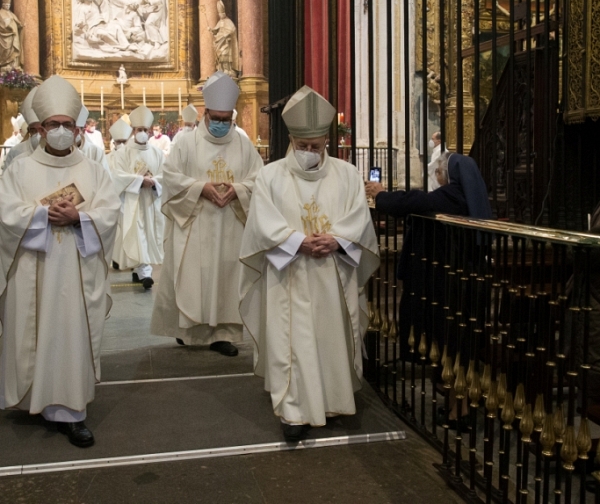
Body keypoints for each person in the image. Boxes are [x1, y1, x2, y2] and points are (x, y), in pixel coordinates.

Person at [239, 86, 380, 441]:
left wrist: (337, 239)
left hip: (333, 272)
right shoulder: (270, 176)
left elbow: (359, 218)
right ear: (291, 139)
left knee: (331, 336)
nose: (309, 153)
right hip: (290, 273)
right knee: (294, 339)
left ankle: (334, 400)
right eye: (303, 147)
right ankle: (295, 411)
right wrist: (296, 241)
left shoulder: (347, 174)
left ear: (326, 142)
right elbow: (260, 222)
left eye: (316, 147)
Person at [0, 74, 120, 447]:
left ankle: (70, 414)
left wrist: (80, 218)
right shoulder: (18, 169)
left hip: (75, 269)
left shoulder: (95, 170)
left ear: (77, 127)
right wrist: (40, 216)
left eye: (68, 125)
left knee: (69, 335)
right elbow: (5, 211)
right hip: (32, 266)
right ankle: (31, 401)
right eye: (54, 125)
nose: (61, 131)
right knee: (30, 331)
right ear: (40, 128)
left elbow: (110, 212)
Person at [365, 152, 492, 424]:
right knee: (455, 346)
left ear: (450, 175)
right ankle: (457, 405)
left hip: (453, 288)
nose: (436, 177)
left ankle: (461, 413)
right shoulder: (467, 196)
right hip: (461, 283)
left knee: (454, 346)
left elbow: (417, 201)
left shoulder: (454, 195)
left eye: (438, 171)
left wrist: (381, 193)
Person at [151, 72, 263, 356]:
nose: (222, 124)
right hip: (195, 223)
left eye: (227, 119)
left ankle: (221, 334)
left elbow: (259, 178)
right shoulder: (186, 143)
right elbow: (171, 177)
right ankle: (189, 330)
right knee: (193, 276)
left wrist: (238, 190)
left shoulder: (242, 142)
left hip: (231, 224)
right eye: (217, 118)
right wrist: (200, 188)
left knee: (226, 276)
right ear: (205, 113)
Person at [111, 104, 164, 289]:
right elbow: (117, 175)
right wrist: (139, 181)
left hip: (151, 201)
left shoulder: (157, 152)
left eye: (145, 129)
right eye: (139, 129)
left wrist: (155, 182)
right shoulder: (123, 152)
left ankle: (138, 270)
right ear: (133, 131)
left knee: (147, 235)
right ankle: (144, 272)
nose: (142, 132)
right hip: (131, 201)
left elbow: (166, 174)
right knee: (137, 233)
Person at [107, 117, 133, 270]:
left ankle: (131, 260)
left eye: (124, 141)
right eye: (118, 141)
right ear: (114, 142)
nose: (121, 145)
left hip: (130, 198)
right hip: (112, 198)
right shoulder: (107, 158)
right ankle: (115, 259)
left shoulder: (133, 157)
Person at [3, 88, 41, 170]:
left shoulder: (57, 151)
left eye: (41, 129)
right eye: (34, 130)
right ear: (29, 131)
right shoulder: (16, 152)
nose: (38, 134)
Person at [209, 0, 239, 77]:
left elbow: (233, 29)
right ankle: (221, 69)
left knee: (225, 55)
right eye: (219, 14)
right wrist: (211, 29)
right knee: (221, 55)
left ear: (224, 13)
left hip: (227, 43)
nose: (220, 15)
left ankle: (228, 69)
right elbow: (215, 30)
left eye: (221, 13)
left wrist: (227, 34)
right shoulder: (220, 22)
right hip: (220, 42)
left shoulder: (228, 21)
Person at [0, 0, 24, 71]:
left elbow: (18, 23)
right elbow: (2, 25)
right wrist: (8, 27)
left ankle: (13, 64)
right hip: (5, 37)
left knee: (14, 50)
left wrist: (21, 25)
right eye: (6, 5)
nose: (7, 7)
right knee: (5, 51)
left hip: (14, 36)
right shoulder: (0, 13)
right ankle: (5, 64)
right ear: (3, 5)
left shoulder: (11, 14)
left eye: (8, 5)